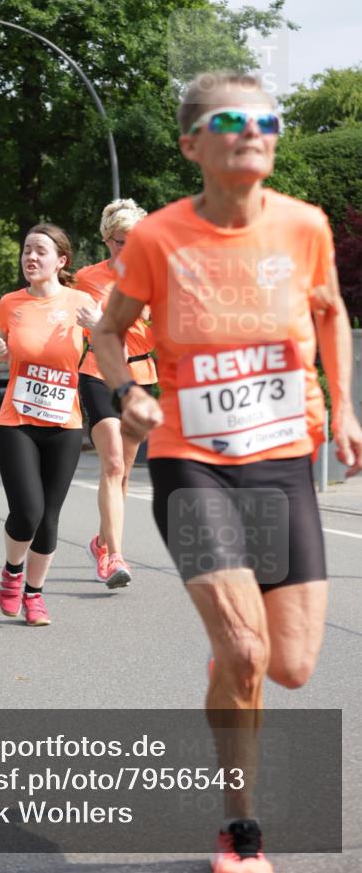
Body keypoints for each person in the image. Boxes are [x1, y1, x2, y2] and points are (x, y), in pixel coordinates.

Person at [92, 72, 362, 873]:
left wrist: (342, 408)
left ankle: (229, 655)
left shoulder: (304, 227)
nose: (253, 129)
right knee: (248, 654)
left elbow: (329, 311)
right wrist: (130, 391)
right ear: (191, 145)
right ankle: (239, 830)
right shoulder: (157, 239)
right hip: (192, 463)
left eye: (265, 118)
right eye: (230, 119)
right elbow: (109, 332)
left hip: (283, 464)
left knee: (289, 665)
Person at [0, 224, 95, 626]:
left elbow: (111, 345)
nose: (30, 258)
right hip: (17, 420)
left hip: (64, 423)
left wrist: (101, 327)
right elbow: (5, 348)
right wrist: (0, 350)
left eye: (40, 251)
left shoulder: (81, 302)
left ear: (61, 261)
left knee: (50, 517)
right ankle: (12, 572)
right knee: (27, 511)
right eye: (26, 250)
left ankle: (35, 595)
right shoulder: (10, 302)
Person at [75, 198, 157, 588]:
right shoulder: (86, 279)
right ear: (108, 240)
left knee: (123, 472)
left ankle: (101, 541)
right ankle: (115, 558)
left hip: (140, 375)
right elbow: (64, 321)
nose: (129, 249)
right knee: (110, 464)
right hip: (97, 371)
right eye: (121, 242)